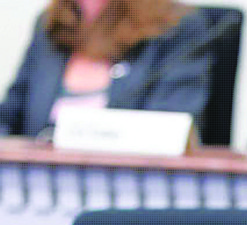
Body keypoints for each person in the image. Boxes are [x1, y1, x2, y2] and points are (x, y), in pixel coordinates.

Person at [0, 0, 211, 140]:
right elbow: (10, 116)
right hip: (41, 184)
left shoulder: (176, 28)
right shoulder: (50, 26)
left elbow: (170, 129)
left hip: (129, 185)